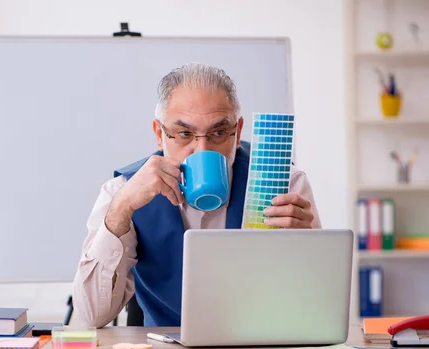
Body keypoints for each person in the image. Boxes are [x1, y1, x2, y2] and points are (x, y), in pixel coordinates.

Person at [72, 63, 322, 328]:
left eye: (218, 133)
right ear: (160, 135)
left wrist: (306, 249)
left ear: (237, 133)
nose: (201, 150)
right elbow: (91, 316)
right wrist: (120, 209)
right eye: (184, 134)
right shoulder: (121, 191)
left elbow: (317, 306)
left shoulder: (283, 182)